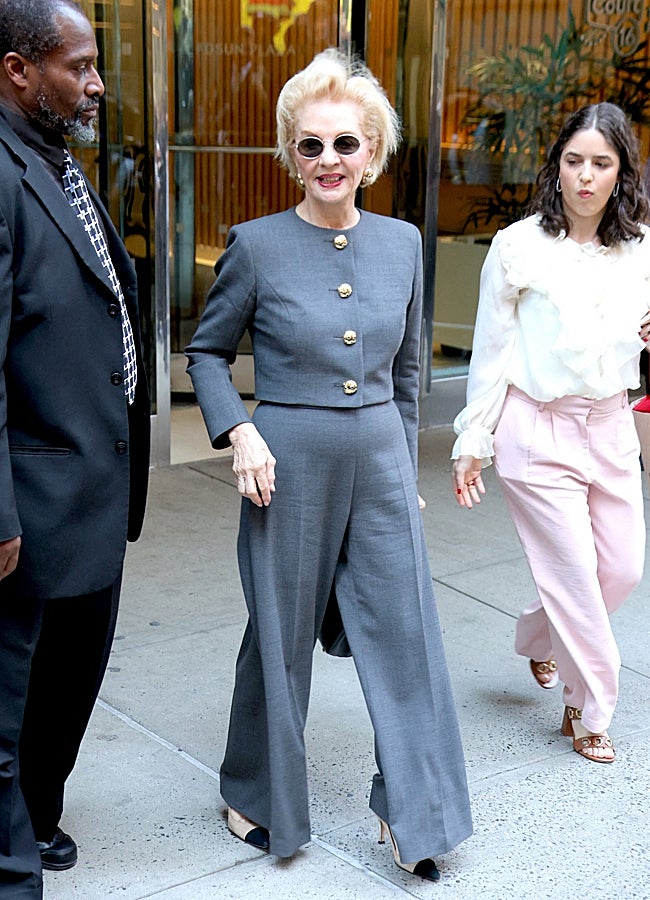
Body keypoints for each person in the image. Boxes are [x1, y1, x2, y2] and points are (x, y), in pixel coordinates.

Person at [186, 49, 472, 881]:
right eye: (310, 145)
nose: (328, 161)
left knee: (407, 635)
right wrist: (240, 432)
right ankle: (257, 792)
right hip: (289, 467)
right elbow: (206, 353)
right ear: (292, 153)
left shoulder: (404, 244)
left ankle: (414, 813)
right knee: (278, 638)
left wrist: (408, 478)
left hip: (380, 464)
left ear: (371, 151)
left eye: (345, 143)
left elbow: (408, 378)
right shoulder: (255, 246)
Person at [0, 0, 150, 894]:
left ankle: (36, 815)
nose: (96, 85)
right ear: (19, 70)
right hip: (32, 500)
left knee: (68, 679)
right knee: (13, 698)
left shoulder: (56, 161)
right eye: (79, 66)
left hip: (92, 486)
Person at [452, 102, 650, 764]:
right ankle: (588, 709)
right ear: (556, 167)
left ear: (621, 173)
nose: (586, 176)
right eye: (574, 161)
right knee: (576, 581)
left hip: (611, 427)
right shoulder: (517, 247)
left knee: (620, 569)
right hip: (536, 431)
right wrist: (472, 443)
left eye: (601, 163)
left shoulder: (643, 250)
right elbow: (491, 354)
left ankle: (539, 637)